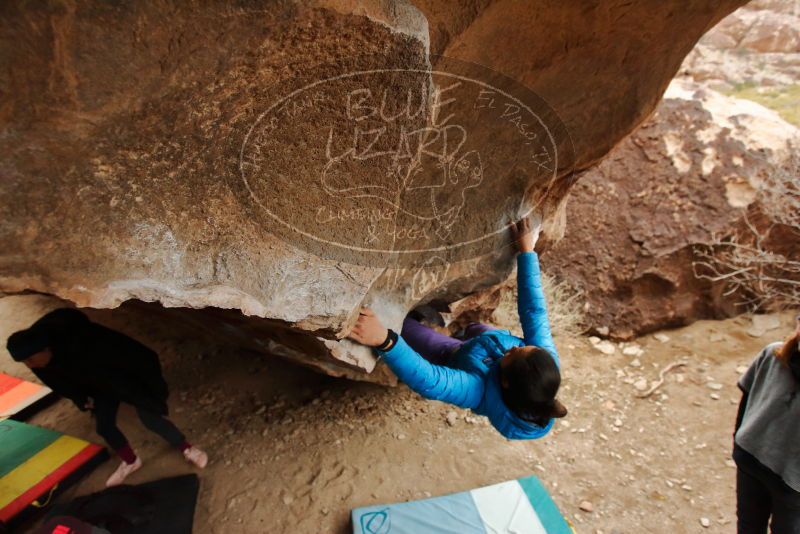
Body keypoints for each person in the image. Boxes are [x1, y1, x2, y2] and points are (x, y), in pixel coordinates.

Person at [349, 216, 567, 440]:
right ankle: (464, 328)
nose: (514, 348)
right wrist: (527, 252)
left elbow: (430, 380)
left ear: (505, 381)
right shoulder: (544, 363)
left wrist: (384, 341)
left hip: (455, 355)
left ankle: (438, 331)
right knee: (478, 330)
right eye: (523, 346)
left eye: (513, 353)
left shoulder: (476, 390)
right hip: (486, 343)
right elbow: (534, 312)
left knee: (404, 329)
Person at [6, 308, 208, 487]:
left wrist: (154, 390)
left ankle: (187, 448)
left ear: (46, 348)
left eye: (30, 359)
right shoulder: (41, 364)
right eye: (24, 362)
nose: (29, 366)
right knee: (104, 426)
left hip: (126, 379)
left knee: (151, 419)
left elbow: (143, 358)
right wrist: (82, 398)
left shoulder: (92, 344)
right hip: (98, 386)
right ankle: (130, 461)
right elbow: (61, 385)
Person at [734, 314, 800, 533]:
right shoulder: (772, 355)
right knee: (748, 527)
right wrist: (739, 442)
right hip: (751, 460)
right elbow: (747, 399)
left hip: (792, 483)